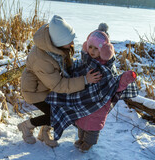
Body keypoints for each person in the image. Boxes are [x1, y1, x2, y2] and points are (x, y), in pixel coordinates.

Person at [46, 23, 138, 152]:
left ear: (105, 51)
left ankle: (88, 143)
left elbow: (115, 84)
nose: (92, 51)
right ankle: (81, 138)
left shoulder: (108, 68)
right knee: (81, 122)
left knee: (92, 126)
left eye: (96, 48)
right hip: (84, 100)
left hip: (99, 104)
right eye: (90, 47)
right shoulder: (85, 61)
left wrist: (125, 79)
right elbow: (74, 71)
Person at [18, 15, 102, 147]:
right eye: (69, 41)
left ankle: (44, 133)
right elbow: (58, 85)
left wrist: (83, 67)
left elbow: (64, 65)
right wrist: (85, 80)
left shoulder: (56, 46)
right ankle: (27, 126)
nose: (72, 44)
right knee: (55, 114)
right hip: (34, 91)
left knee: (59, 109)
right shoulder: (42, 59)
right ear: (58, 42)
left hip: (46, 86)